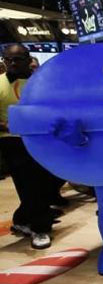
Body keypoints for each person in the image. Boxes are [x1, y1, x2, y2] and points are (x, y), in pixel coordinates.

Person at [0, 44, 65, 249]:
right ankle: (40, 228)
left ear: (29, 59)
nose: (11, 63)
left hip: (43, 139)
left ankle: (24, 218)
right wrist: (8, 124)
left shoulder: (42, 82)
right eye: (7, 59)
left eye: (17, 59)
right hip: (14, 141)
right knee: (28, 184)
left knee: (51, 180)